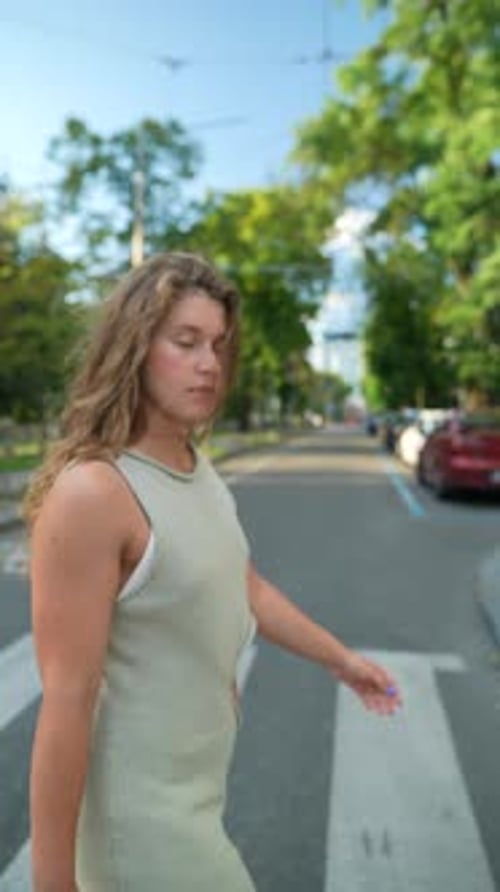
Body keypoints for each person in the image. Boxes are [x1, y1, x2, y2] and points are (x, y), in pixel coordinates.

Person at [26, 252, 401, 892]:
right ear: (135, 347)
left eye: (220, 345)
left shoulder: (191, 463)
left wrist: (341, 660)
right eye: (186, 341)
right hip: (140, 826)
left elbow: (243, 585)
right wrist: (53, 883)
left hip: (197, 797)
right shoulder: (96, 491)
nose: (210, 363)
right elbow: (66, 701)